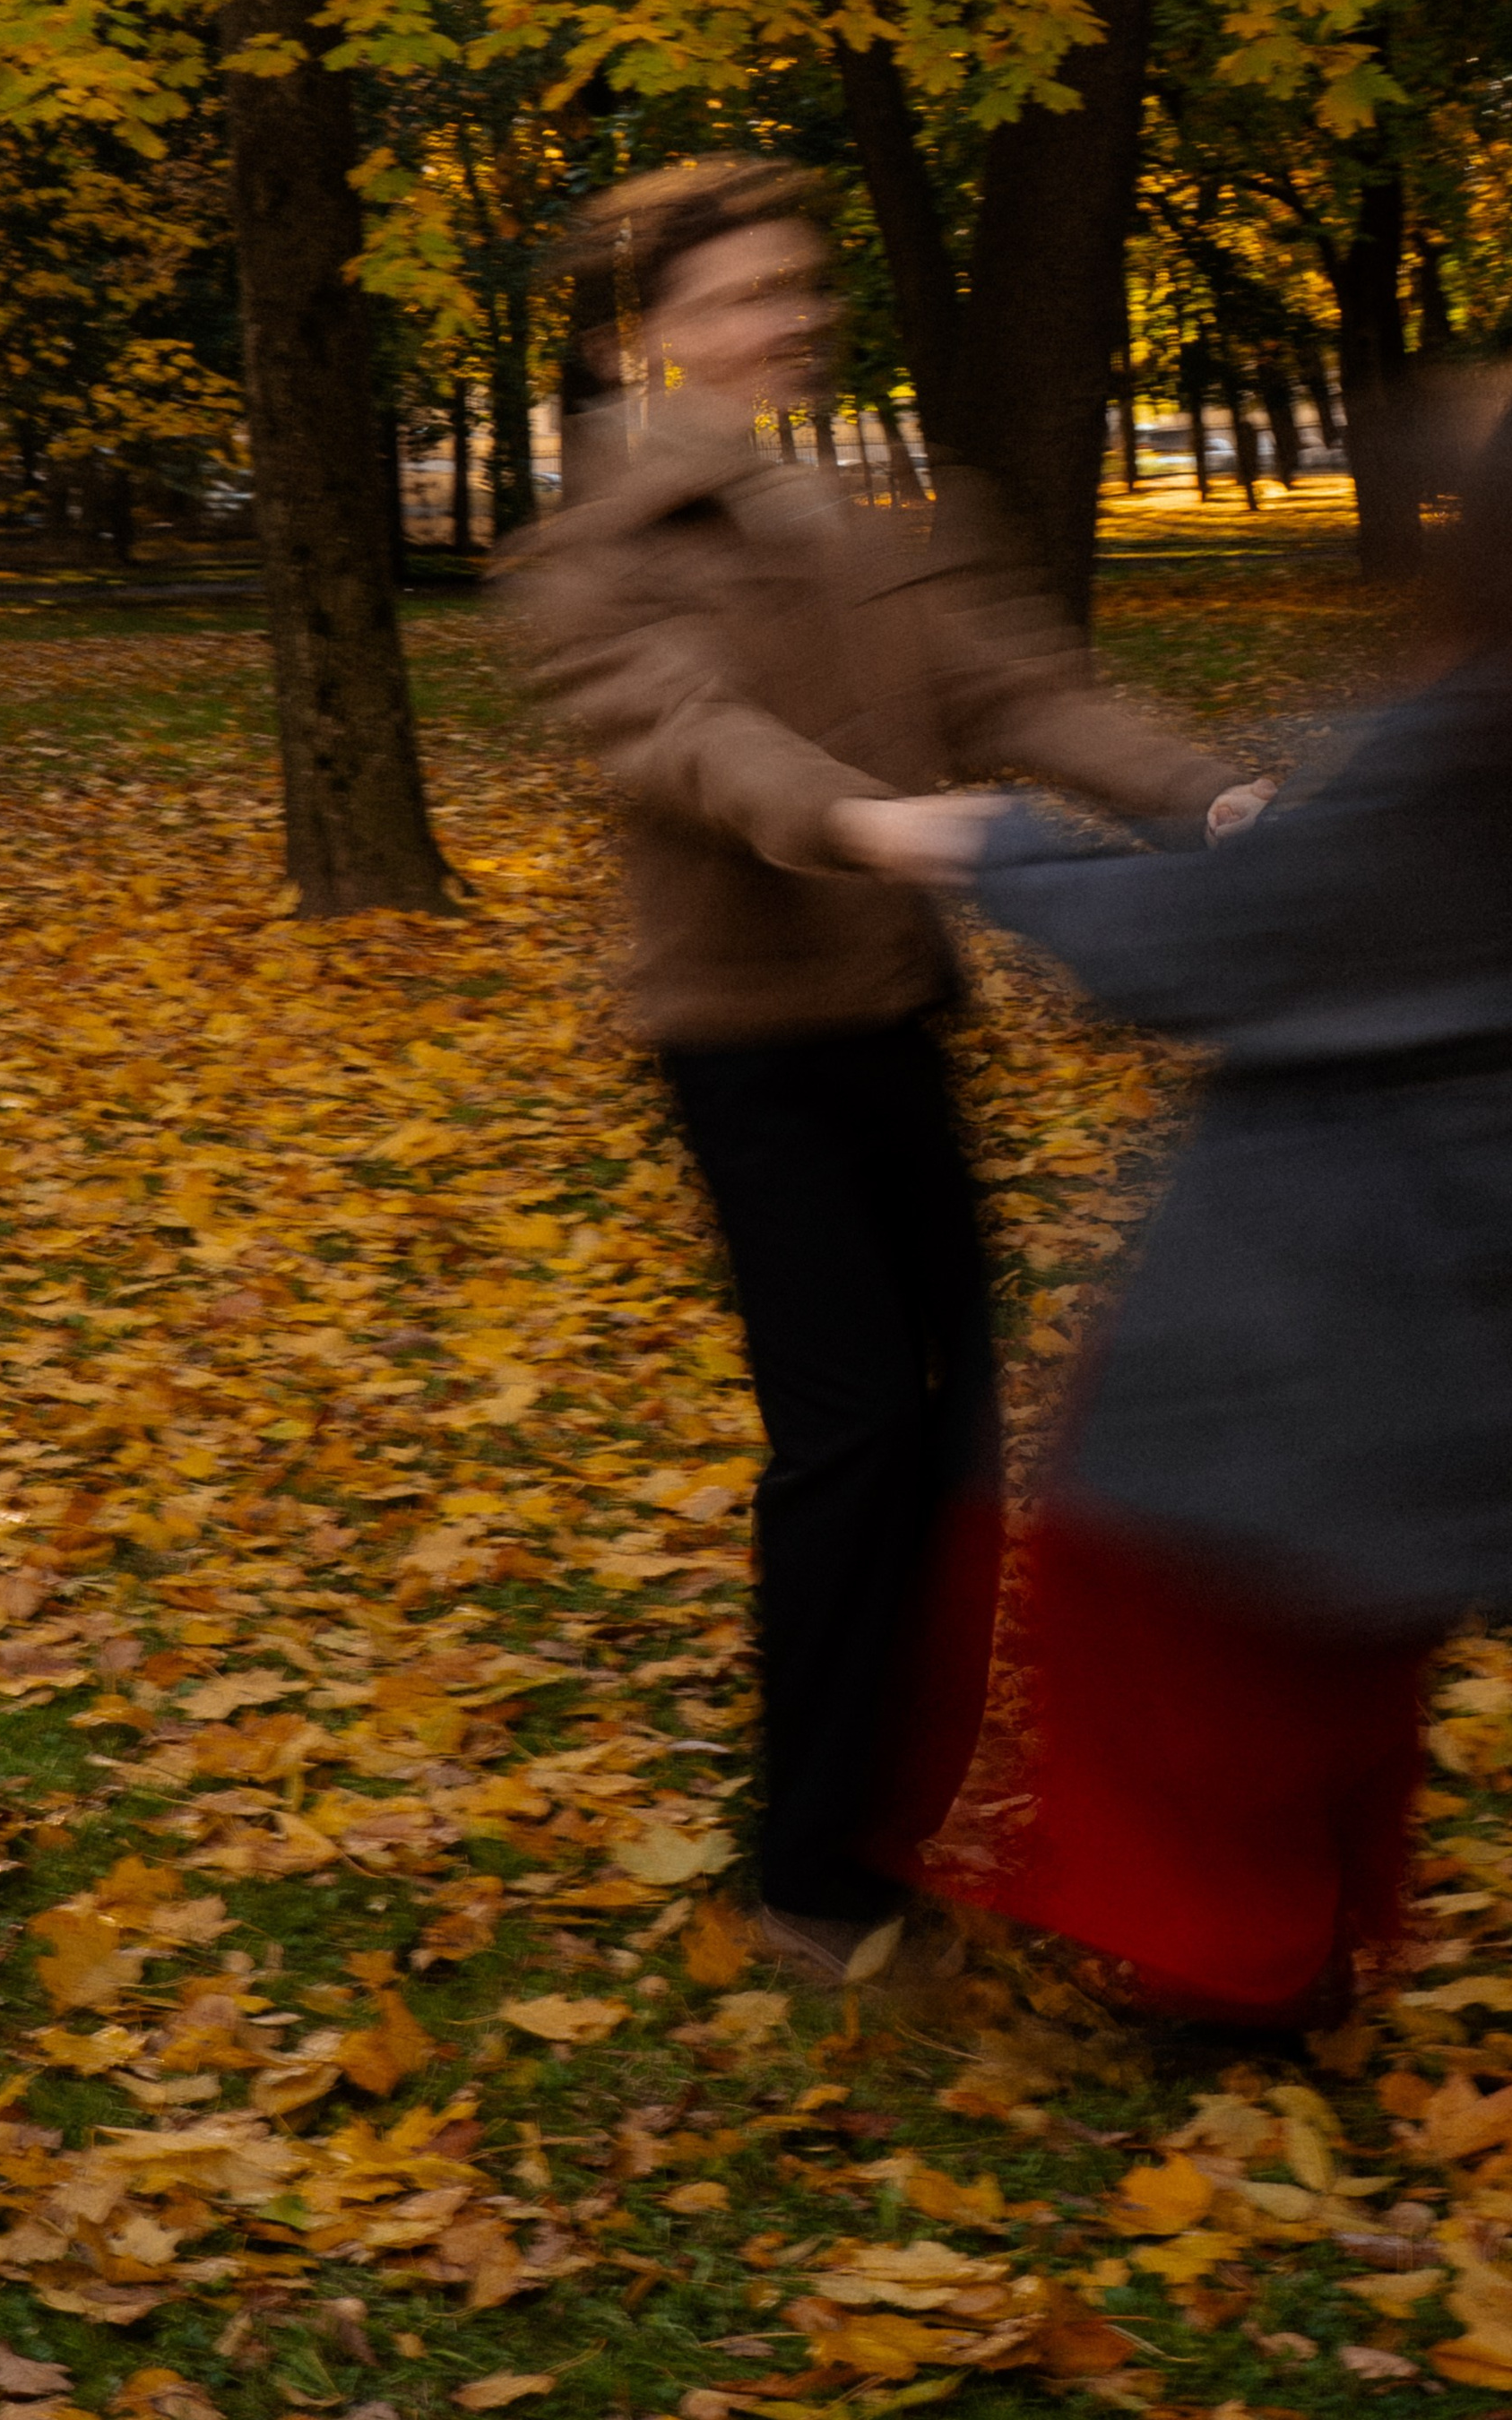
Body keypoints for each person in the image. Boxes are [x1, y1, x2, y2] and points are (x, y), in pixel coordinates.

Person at [864, 367, 1512, 2031]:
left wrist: (993, 847)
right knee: (1332, 1620)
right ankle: (1296, 1932)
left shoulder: (1458, 734)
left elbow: (1220, 952)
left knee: (1182, 1607)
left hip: (1330, 1255)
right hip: (1454, 1240)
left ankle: (1229, 1963)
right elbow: (1331, 900)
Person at [504, 157, 1271, 1984]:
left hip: (897, 1021)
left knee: (956, 1437)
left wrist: (1212, 795)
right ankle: (813, 1887)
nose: (783, 323)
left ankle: (906, 1816)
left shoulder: (876, 517)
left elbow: (1025, 695)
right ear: (644, 336)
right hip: (740, 1045)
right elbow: (686, 739)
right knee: (850, 1437)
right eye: (737, 297)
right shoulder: (586, 553)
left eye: (798, 290)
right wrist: (866, 818)